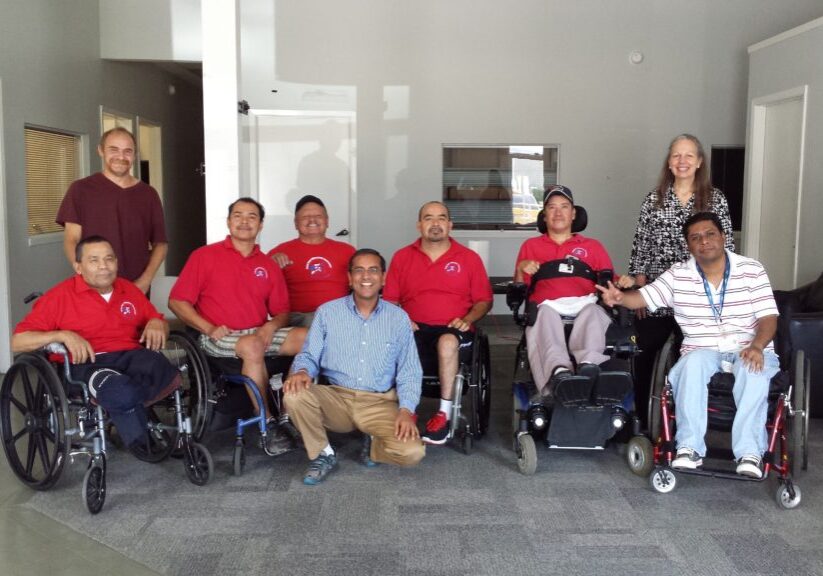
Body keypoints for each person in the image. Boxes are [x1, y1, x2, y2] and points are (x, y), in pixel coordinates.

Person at [599, 212, 779, 479]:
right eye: (695, 238)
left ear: (723, 237)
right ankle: (689, 447)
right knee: (691, 364)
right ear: (688, 246)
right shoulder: (678, 275)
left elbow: (768, 316)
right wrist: (620, 298)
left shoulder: (752, 269)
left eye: (710, 234)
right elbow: (643, 298)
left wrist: (757, 345)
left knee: (751, 368)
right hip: (702, 348)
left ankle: (750, 452)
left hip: (748, 346)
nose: (703, 241)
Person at [12, 236, 177, 453]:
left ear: (116, 263)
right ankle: (140, 439)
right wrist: (62, 335)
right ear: (78, 267)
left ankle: (123, 410)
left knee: (162, 368)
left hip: (129, 355)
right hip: (86, 364)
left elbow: (158, 323)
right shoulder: (59, 297)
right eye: (94, 260)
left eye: (109, 259)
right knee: (118, 388)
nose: (103, 266)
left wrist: (157, 322)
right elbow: (18, 341)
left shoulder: (129, 290)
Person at [168, 197, 307, 451]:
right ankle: (268, 424)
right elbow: (177, 302)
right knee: (253, 345)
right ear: (229, 222)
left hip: (256, 332)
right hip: (218, 336)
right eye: (238, 216)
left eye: (252, 216)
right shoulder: (204, 256)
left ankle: (289, 414)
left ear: (261, 225)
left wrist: (270, 326)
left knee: (308, 338)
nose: (245, 221)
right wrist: (209, 328)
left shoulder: (267, 264)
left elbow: (282, 312)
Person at [618, 134, 734, 426]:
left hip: (698, 293)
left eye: (688, 156)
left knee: (694, 357)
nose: (682, 162)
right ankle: (645, 420)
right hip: (658, 290)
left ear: (699, 162)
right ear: (669, 163)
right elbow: (641, 245)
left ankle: (689, 422)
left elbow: (726, 247)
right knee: (646, 354)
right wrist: (640, 289)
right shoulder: (654, 198)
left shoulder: (714, 198)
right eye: (676, 156)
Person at [283, 249, 425, 485]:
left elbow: (410, 370)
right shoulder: (328, 312)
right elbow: (309, 354)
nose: (365, 276)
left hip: (379, 402)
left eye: (373, 270)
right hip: (337, 398)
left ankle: (374, 444)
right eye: (359, 270)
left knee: (412, 453)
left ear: (383, 278)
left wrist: (406, 410)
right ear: (349, 278)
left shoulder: (398, 318)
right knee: (295, 394)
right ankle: (323, 453)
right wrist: (301, 371)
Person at [383, 201, 493, 445]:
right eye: (429, 218)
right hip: (414, 327)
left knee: (445, 341)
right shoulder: (402, 257)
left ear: (450, 225)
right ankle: (406, 409)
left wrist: (468, 319)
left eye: (441, 218)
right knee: (392, 338)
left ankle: (443, 413)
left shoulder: (468, 258)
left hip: (454, 329)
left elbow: (484, 300)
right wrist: (403, 320)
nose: (435, 224)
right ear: (419, 225)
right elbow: (389, 301)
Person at [514, 185, 615, 402]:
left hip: (585, 304)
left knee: (593, 311)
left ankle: (589, 366)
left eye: (564, 207)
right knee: (545, 314)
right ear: (544, 215)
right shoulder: (531, 246)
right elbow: (519, 288)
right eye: (552, 207)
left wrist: (626, 282)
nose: (558, 212)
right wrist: (522, 268)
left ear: (574, 213)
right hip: (547, 306)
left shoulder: (593, 246)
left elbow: (610, 285)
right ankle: (559, 373)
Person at [56, 127, 167, 294]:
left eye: (128, 151)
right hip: (93, 286)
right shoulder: (80, 190)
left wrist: (145, 281)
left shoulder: (148, 194)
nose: (121, 157)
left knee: (140, 321)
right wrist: (83, 273)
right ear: (100, 150)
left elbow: (161, 244)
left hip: (136, 287)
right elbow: (71, 239)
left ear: (134, 155)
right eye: (113, 149)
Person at [267, 195, 355, 327]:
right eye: (305, 217)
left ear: (327, 221)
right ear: (296, 223)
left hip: (340, 315)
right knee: (316, 321)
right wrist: (270, 265)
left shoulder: (348, 251)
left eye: (318, 216)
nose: (312, 220)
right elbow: (259, 283)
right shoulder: (279, 253)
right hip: (299, 318)